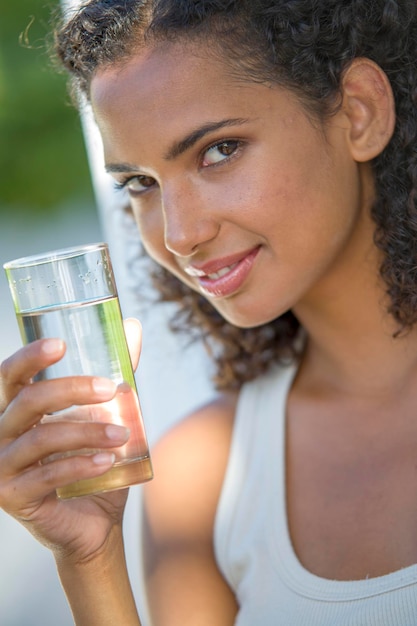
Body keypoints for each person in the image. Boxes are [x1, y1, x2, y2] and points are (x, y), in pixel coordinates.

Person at [1, 0, 417, 623]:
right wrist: (90, 561)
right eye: (140, 183)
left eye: (219, 151)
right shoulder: (204, 479)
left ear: (359, 111)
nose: (179, 234)